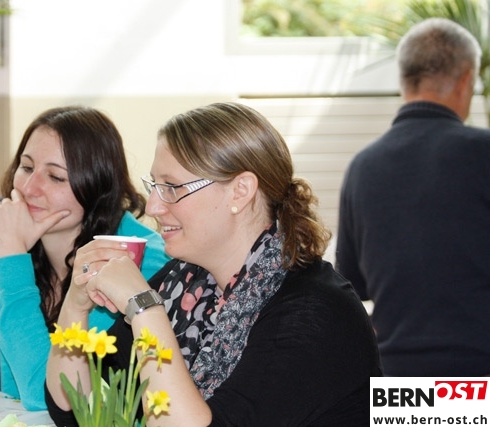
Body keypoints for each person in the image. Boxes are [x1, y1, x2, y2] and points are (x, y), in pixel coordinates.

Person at [45, 102, 381, 426]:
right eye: (155, 186)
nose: (153, 207)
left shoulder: (313, 311)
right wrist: (76, 305)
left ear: (240, 191)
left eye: (171, 187)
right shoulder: (184, 284)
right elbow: (78, 411)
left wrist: (145, 309)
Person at [0, 106, 169, 411]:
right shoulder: (20, 242)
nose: (28, 188)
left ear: (97, 187)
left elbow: (47, 397)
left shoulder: (140, 260)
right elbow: (14, 393)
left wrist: (11, 261)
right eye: (26, 167)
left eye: (56, 177)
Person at [336, 18, 490, 377]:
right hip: (479, 372)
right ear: (466, 80)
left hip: (397, 380)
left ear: (404, 80)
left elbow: (351, 284)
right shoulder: (483, 153)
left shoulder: (362, 167)